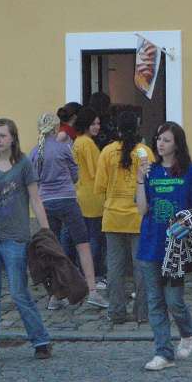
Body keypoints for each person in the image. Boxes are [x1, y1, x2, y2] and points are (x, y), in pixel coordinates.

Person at [0, 118, 52, 363]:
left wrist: (46, 230)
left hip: (15, 238)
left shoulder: (23, 164)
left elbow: (35, 199)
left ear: (13, 138)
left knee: (19, 293)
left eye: (2, 136)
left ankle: (41, 340)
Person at [136, 122, 192, 370]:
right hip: (150, 244)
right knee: (155, 301)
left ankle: (188, 330)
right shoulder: (151, 170)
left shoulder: (189, 171)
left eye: (166, 140)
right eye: (158, 139)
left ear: (177, 144)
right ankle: (164, 353)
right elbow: (142, 209)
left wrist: (187, 218)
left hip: (175, 248)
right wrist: (139, 181)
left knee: (174, 301)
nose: (160, 143)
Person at [30, 113, 108, 310]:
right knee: (83, 244)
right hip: (67, 200)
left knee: (53, 249)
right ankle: (92, 291)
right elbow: (74, 175)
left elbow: (34, 180)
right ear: (57, 128)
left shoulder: (34, 152)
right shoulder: (63, 148)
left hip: (45, 203)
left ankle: (56, 295)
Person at [94, 110, 153, 324]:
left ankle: (116, 311)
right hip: (139, 218)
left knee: (115, 268)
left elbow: (100, 186)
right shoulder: (145, 152)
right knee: (142, 267)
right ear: (137, 128)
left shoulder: (107, 152)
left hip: (113, 217)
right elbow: (152, 183)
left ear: (117, 129)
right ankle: (143, 313)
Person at [72, 106, 107, 289]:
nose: (97, 127)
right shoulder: (88, 144)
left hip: (81, 193)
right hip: (94, 196)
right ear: (86, 124)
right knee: (95, 239)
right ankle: (94, 276)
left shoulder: (77, 142)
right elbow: (97, 172)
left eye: (98, 123)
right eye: (93, 123)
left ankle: (84, 274)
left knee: (84, 239)